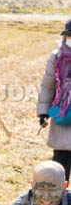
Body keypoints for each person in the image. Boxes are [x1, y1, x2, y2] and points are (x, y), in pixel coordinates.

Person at [37, 18, 71, 182]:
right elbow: (48, 86)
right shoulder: (57, 57)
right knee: (60, 167)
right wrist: (43, 112)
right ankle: (59, 201)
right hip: (63, 117)